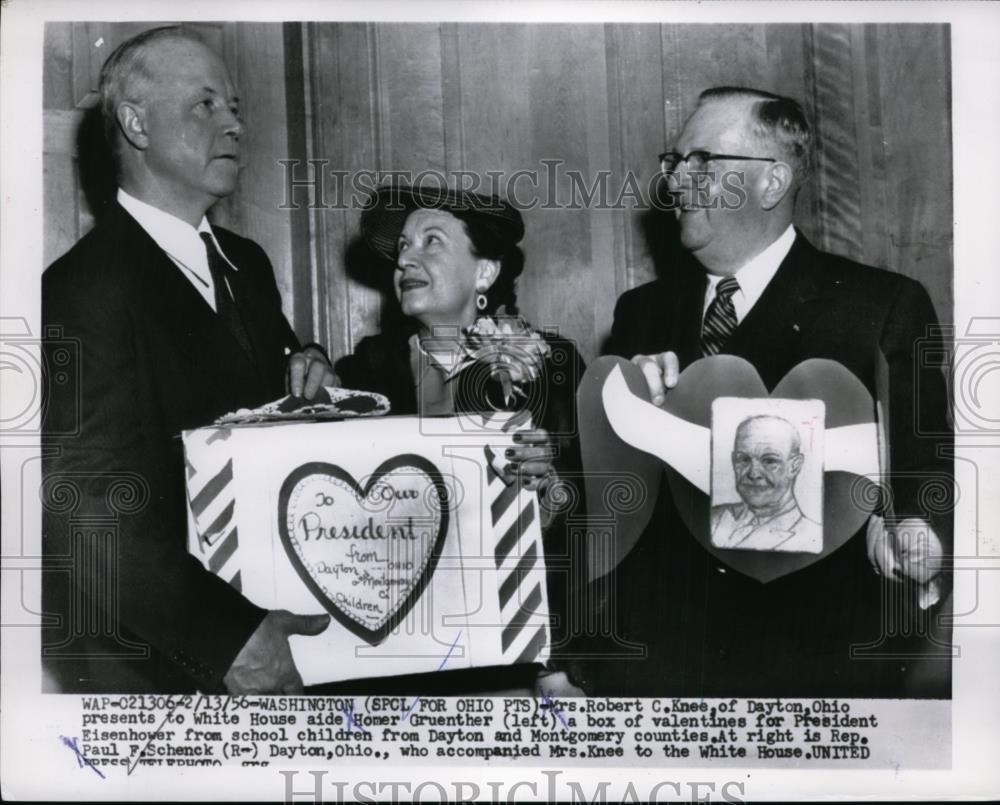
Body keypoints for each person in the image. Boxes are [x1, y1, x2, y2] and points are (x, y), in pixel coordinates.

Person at [586, 86, 952, 697]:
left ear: (772, 181)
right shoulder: (640, 313)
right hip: (656, 659)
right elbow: (607, 500)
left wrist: (917, 533)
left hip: (813, 662)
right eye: (674, 163)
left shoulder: (880, 305)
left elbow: (924, 464)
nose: (675, 182)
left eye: (702, 162)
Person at [42, 26, 336, 694]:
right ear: (136, 123)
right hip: (166, 671)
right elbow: (86, 508)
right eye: (206, 104)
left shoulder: (247, 265)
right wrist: (225, 638)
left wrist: (313, 371)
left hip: (275, 637)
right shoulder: (78, 290)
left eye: (234, 106)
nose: (234, 123)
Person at [332, 184, 585, 694]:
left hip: (513, 663)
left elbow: (582, 520)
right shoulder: (362, 373)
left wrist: (546, 488)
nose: (406, 260)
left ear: (484, 272)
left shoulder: (549, 366)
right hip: (391, 660)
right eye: (403, 247)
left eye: (432, 241)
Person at [710, 415, 822, 553]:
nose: (753, 474)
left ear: (795, 466)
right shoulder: (714, 516)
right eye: (744, 459)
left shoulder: (811, 536)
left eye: (769, 461)